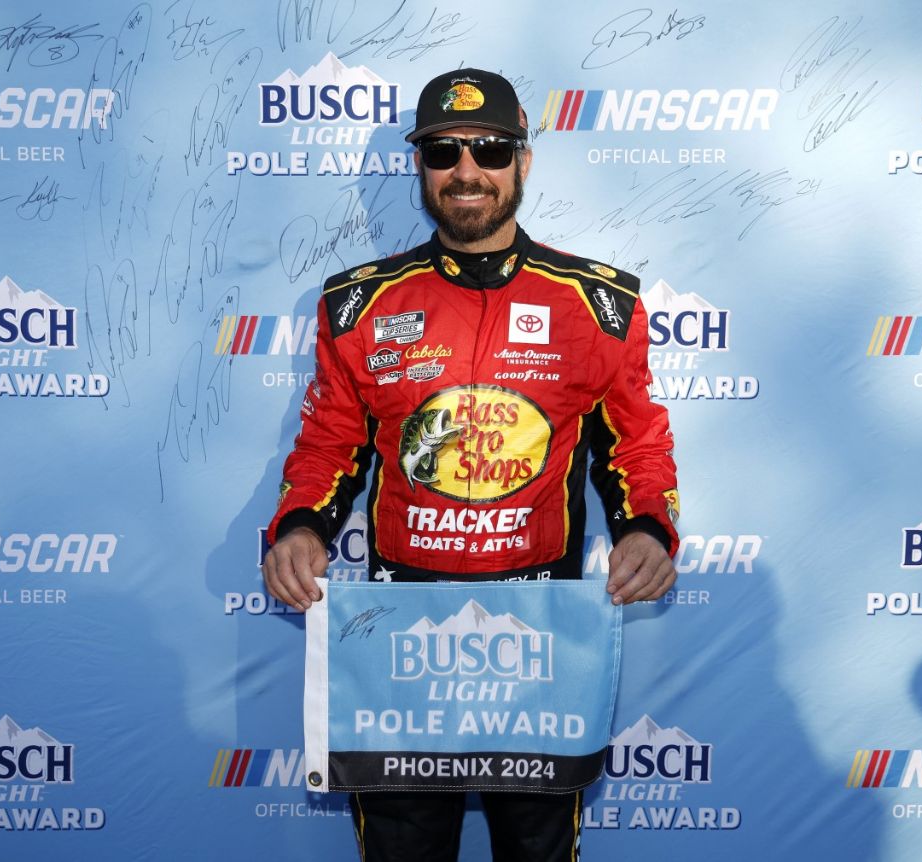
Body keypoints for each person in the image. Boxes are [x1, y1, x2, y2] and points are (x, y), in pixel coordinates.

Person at [262, 68, 680, 862]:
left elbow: (636, 441)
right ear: (418, 168)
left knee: (536, 851)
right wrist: (301, 525)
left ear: (524, 161)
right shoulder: (359, 305)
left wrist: (648, 526)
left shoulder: (599, 305)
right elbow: (330, 440)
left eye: (489, 149)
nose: (466, 171)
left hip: (542, 637)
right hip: (399, 638)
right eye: (443, 151)